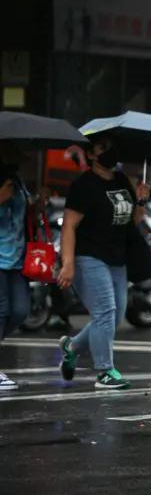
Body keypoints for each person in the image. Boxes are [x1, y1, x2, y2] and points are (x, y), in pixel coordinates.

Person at [56, 137, 150, 390]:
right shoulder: (83, 185)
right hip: (88, 256)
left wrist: (140, 200)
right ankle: (105, 371)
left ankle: (71, 346)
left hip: (116, 258)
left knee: (114, 316)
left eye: (111, 147)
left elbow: (133, 221)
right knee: (105, 312)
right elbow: (69, 226)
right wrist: (67, 263)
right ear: (91, 155)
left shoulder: (121, 180)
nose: (110, 152)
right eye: (103, 149)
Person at [0, 152, 30, 392]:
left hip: (18, 260)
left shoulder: (17, 181)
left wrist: (37, 204)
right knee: (1, 311)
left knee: (20, 312)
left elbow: (23, 214)